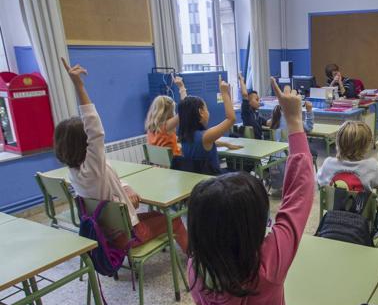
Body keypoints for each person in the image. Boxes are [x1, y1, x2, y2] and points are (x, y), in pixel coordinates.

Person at [186, 78, 342, 305]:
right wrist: (294, 120)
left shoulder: (195, 266)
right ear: (255, 226)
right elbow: (299, 194)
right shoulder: (268, 264)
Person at [55, 57, 188, 252]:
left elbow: (109, 182)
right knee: (174, 220)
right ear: (86, 143)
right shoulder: (93, 168)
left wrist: (125, 187)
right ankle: (196, 262)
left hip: (109, 233)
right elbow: (95, 127)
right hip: (127, 235)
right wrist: (79, 86)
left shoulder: (75, 171)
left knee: (159, 216)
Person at [177, 77, 241, 175]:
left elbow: (185, 107)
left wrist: (181, 87)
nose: (208, 111)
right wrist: (224, 92)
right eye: (206, 108)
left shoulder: (184, 135)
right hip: (214, 181)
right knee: (241, 174)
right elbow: (231, 119)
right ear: (201, 112)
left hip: (198, 180)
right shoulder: (205, 136)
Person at [317, 120, 378, 192]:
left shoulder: (328, 164)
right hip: (362, 207)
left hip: (332, 207)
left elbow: (319, 180)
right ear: (366, 146)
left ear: (338, 142)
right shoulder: (371, 167)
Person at [144, 75, 187, 156]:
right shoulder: (166, 126)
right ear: (168, 111)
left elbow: (163, 142)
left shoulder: (151, 128)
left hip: (160, 164)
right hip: (175, 164)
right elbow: (185, 110)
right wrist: (182, 87)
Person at [239, 72, 268, 139]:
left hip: (259, 141)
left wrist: (278, 116)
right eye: (256, 99)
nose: (259, 102)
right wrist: (241, 80)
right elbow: (245, 95)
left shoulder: (257, 115)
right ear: (249, 101)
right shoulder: (246, 112)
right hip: (251, 142)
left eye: (259, 100)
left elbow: (268, 123)